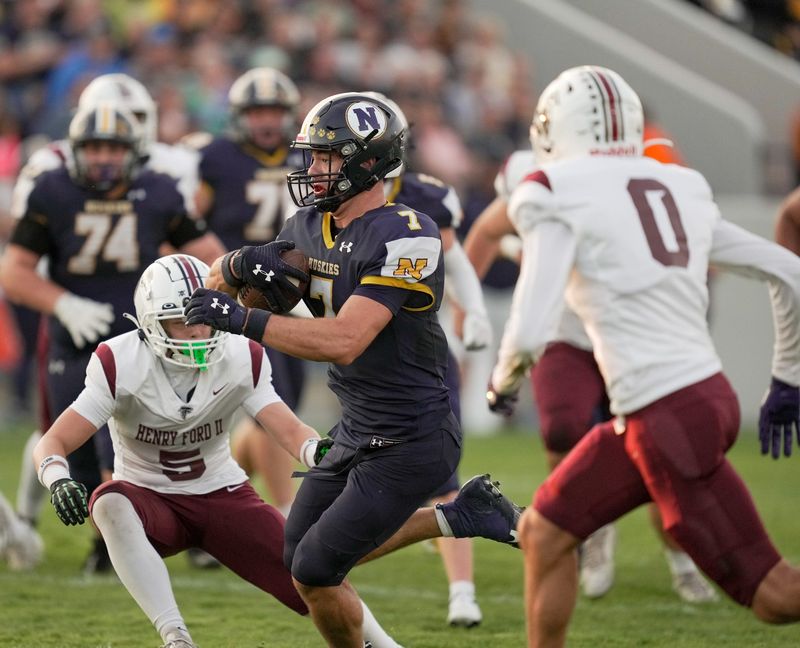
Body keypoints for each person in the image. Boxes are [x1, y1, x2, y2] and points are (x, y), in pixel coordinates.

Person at [183, 92, 522, 647]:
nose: (312, 169)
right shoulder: (307, 225)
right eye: (312, 156)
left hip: (413, 433)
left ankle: (456, 514)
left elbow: (345, 340)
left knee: (317, 566)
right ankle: (459, 515)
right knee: (298, 561)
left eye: (326, 157)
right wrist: (239, 267)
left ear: (367, 162)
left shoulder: (408, 232)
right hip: (356, 424)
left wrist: (242, 318)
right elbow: (238, 293)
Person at [486, 65, 800, 647]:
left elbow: (531, 326)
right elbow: (788, 269)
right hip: (690, 400)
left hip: (666, 418)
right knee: (545, 532)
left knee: (775, 598)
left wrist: (503, 379)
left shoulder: (552, 188)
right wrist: (788, 378)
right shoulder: (677, 183)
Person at [31, 254, 402, 648]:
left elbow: (286, 426)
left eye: (203, 316)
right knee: (108, 503)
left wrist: (317, 451)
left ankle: (384, 644)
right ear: (150, 320)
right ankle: (176, 638)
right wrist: (57, 479)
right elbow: (53, 441)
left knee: (312, 572)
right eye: (181, 319)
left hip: (222, 496)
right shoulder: (119, 360)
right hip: (148, 499)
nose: (195, 331)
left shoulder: (241, 353)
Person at [459, 135, 716, 602]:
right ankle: (591, 531)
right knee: (561, 429)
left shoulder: (639, 177)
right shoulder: (534, 175)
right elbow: (487, 231)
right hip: (563, 332)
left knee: (657, 445)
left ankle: (682, 559)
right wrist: (467, 305)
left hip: (625, 332)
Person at [0, 100, 224, 574]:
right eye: (95, 147)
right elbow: (15, 272)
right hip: (74, 337)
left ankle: (133, 543)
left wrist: (216, 293)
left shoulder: (159, 191)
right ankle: (109, 540)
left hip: (142, 336)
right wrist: (63, 302)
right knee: (77, 454)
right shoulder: (51, 190)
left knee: (129, 446)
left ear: (134, 152)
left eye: (114, 148)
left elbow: (208, 256)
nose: (104, 157)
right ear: (76, 150)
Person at [366, 90, 492, 627]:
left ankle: (462, 592)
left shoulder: (424, 197)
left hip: (417, 352)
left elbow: (454, 255)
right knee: (351, 477)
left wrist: (474, 309)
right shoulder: (321, 204)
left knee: (443, 471)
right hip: (359, 363)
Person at [185, 67, 308, 519]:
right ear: (240, 115)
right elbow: (185, 221)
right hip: (234, 294)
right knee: (267, 405)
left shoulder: (307, 157)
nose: (266, 120)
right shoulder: (216, 158)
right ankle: (284, 513)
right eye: (257, 110)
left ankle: (210, 508)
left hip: (290, 293)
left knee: (274, 404)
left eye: (274, 109)